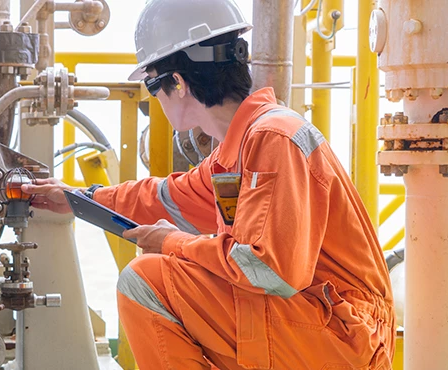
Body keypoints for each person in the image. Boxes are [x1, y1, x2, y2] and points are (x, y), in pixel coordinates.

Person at [21, 0, 395, 368]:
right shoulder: (238, 151)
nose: (156, 100)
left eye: (153, 88)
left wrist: (171, 241)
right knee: (163, 269)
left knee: (146, 280)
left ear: (178, 83)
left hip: (345, 333)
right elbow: (163, 199)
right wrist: (77, 197)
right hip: (318, 319)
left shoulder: (273, 138)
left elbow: (270, 270)